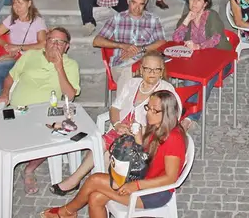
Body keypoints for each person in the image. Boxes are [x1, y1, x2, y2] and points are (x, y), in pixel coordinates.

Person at [0, 28, 79, 216]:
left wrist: (59, 66)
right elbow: (10, 77)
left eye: (60, 42)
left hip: (46, 114)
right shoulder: (30, 56)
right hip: (16, 110)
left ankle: (29, 169)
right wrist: (5, 93)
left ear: (66, 47)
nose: (54, 45)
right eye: (52, 40)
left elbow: (70, 95)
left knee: (55, 136)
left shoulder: (70, 65)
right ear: (45, 42)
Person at [51, 52, 182, 196]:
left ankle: (92, 184)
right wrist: (118, 124)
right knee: (99, 142)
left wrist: (138, 131)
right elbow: (115, 107)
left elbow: (171, 123)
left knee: (110, 150)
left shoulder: (167, 91)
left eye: (157, 69)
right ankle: (82, 181)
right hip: (121, 129)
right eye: (147, 69)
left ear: (162, 71)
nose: (152, 73)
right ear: (141, 69)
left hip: (146, 138)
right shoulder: (132, 84)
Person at [41, 90, 185, 218]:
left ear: (167, 113)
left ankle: (67, 212)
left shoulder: (173, 138)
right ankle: (67, 213)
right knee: (95, 198)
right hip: (142, 178)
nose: (148, 113)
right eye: (148, 108)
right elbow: (147, 157)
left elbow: (170, 179)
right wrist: (139, 140)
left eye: (155, 110)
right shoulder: (157, 127)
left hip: (154, 192)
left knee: (95, 180)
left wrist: (136, 185)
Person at [93, 0, 167, 91]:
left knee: (153, 76)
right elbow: (96, 41)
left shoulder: (153, 20)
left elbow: (162, 42)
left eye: (141, 4)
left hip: (145, 63)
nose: (137, 8)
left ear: (145, 4)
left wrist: (140, 49)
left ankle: (128, 104)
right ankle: (126, 104)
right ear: (128, 1)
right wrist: (122, 45)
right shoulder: (117, 19)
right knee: (128, 75)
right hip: (122, 64)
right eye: (134, 3)